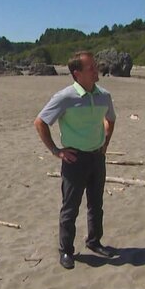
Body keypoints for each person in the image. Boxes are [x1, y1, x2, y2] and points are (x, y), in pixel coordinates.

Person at [34, 51, 117, 270]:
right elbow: (40, 122)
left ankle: (94, 241)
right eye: (91, 67)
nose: (96, 69)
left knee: (96, 204)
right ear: (77, 73)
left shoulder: (104, 95)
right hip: (75, 160)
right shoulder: (65, 97)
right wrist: (56, 151)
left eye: (95, 66)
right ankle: (66, 251)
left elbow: (110, 119)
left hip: (97, 158)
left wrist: (105, 143)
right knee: (70, 208)